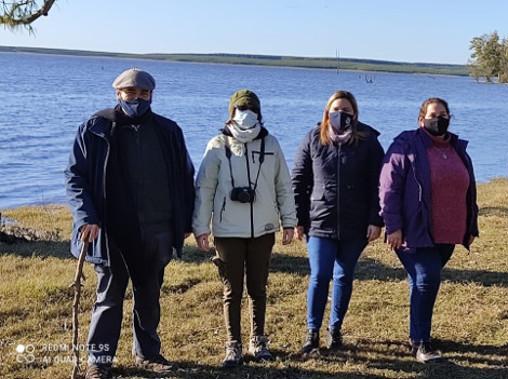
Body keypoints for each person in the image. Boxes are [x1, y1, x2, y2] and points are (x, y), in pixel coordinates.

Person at [65, 68, 195, 379]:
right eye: (130, 93)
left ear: (152, 95)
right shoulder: (95, 127)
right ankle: (99, 361)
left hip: (156, 228)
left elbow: (184, 178)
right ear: (118, 94)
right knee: (108, 297)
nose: (136, 98)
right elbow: (75, 177)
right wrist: (87, 218)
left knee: (149, 295)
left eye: (143, 94)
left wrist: (185, 220)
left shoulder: (168, 130)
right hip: (110, 230)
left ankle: (148, 353)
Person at [192, 89, 297, 367]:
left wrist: (289, 221)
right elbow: (204, 188)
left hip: (263, 230)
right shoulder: (216, 145)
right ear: (231, 113)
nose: (246, 113)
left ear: (260, 113)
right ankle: (233, 344)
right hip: (227, 232)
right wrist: (201, 227)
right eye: (241, 108)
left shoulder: (272, 144)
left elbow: (284, 186)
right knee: (232, 290)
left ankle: (258, 340)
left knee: (258, 288)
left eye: (251, 108)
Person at [379, 97, 479, 363]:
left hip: (448, 232)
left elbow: (469, 190)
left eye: (444, 114)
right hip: (414, 231)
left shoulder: (457, 148)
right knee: (427, 280)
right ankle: (421, 342)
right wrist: (393, 225)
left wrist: (471, 225)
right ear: (421, 119)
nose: (439, 119)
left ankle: (416, 333)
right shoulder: (406, 145)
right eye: (433, 115)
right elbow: (389, 188)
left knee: (420, 282)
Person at [290, 90, 385, 354]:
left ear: (355, 115)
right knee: (320, 276)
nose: (340, 115)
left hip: (356, 225)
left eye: (346, 111)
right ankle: (312, 334)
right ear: (326, 112)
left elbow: (381, 184)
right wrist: (297, 218)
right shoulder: (313, 138)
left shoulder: (368, 142)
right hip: (319, 222)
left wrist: (376, 219)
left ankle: (335, 330)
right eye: (336, 110)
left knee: (343, 276)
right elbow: (298, 180)